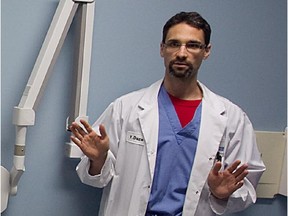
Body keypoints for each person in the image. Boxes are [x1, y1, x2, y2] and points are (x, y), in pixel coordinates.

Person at [70, 11, 265, 216]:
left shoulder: (232, 119)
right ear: (162, 49)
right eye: (174, 44)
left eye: (192, 45)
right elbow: (95, 178)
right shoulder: (126, 108)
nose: (182, 53)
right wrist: (99, 159)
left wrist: (221, 195)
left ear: (207, 51)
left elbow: (247, 188)